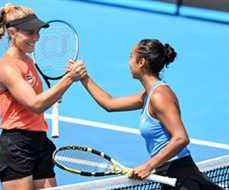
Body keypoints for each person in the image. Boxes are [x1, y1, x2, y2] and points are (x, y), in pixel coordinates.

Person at [72, 39, 222, 190]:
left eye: (131, 56)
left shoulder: (160, 96)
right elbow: (109, 104)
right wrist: (84, 77)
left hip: (181, 176)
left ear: (141, 62)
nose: (129, 61)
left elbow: (181, 138)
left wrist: (148, 166)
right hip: (169, 175)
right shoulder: (147, 95)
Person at [0, 3, 85, 190]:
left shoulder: (28, 60)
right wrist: (68, 79)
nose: (36, 37)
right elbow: (35, 104)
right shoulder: (6, 67)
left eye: (37, 31)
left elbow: (37, 100)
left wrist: (54, 94)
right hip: (16, 146)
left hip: (40, 142)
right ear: (12, 32)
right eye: (30, 32)